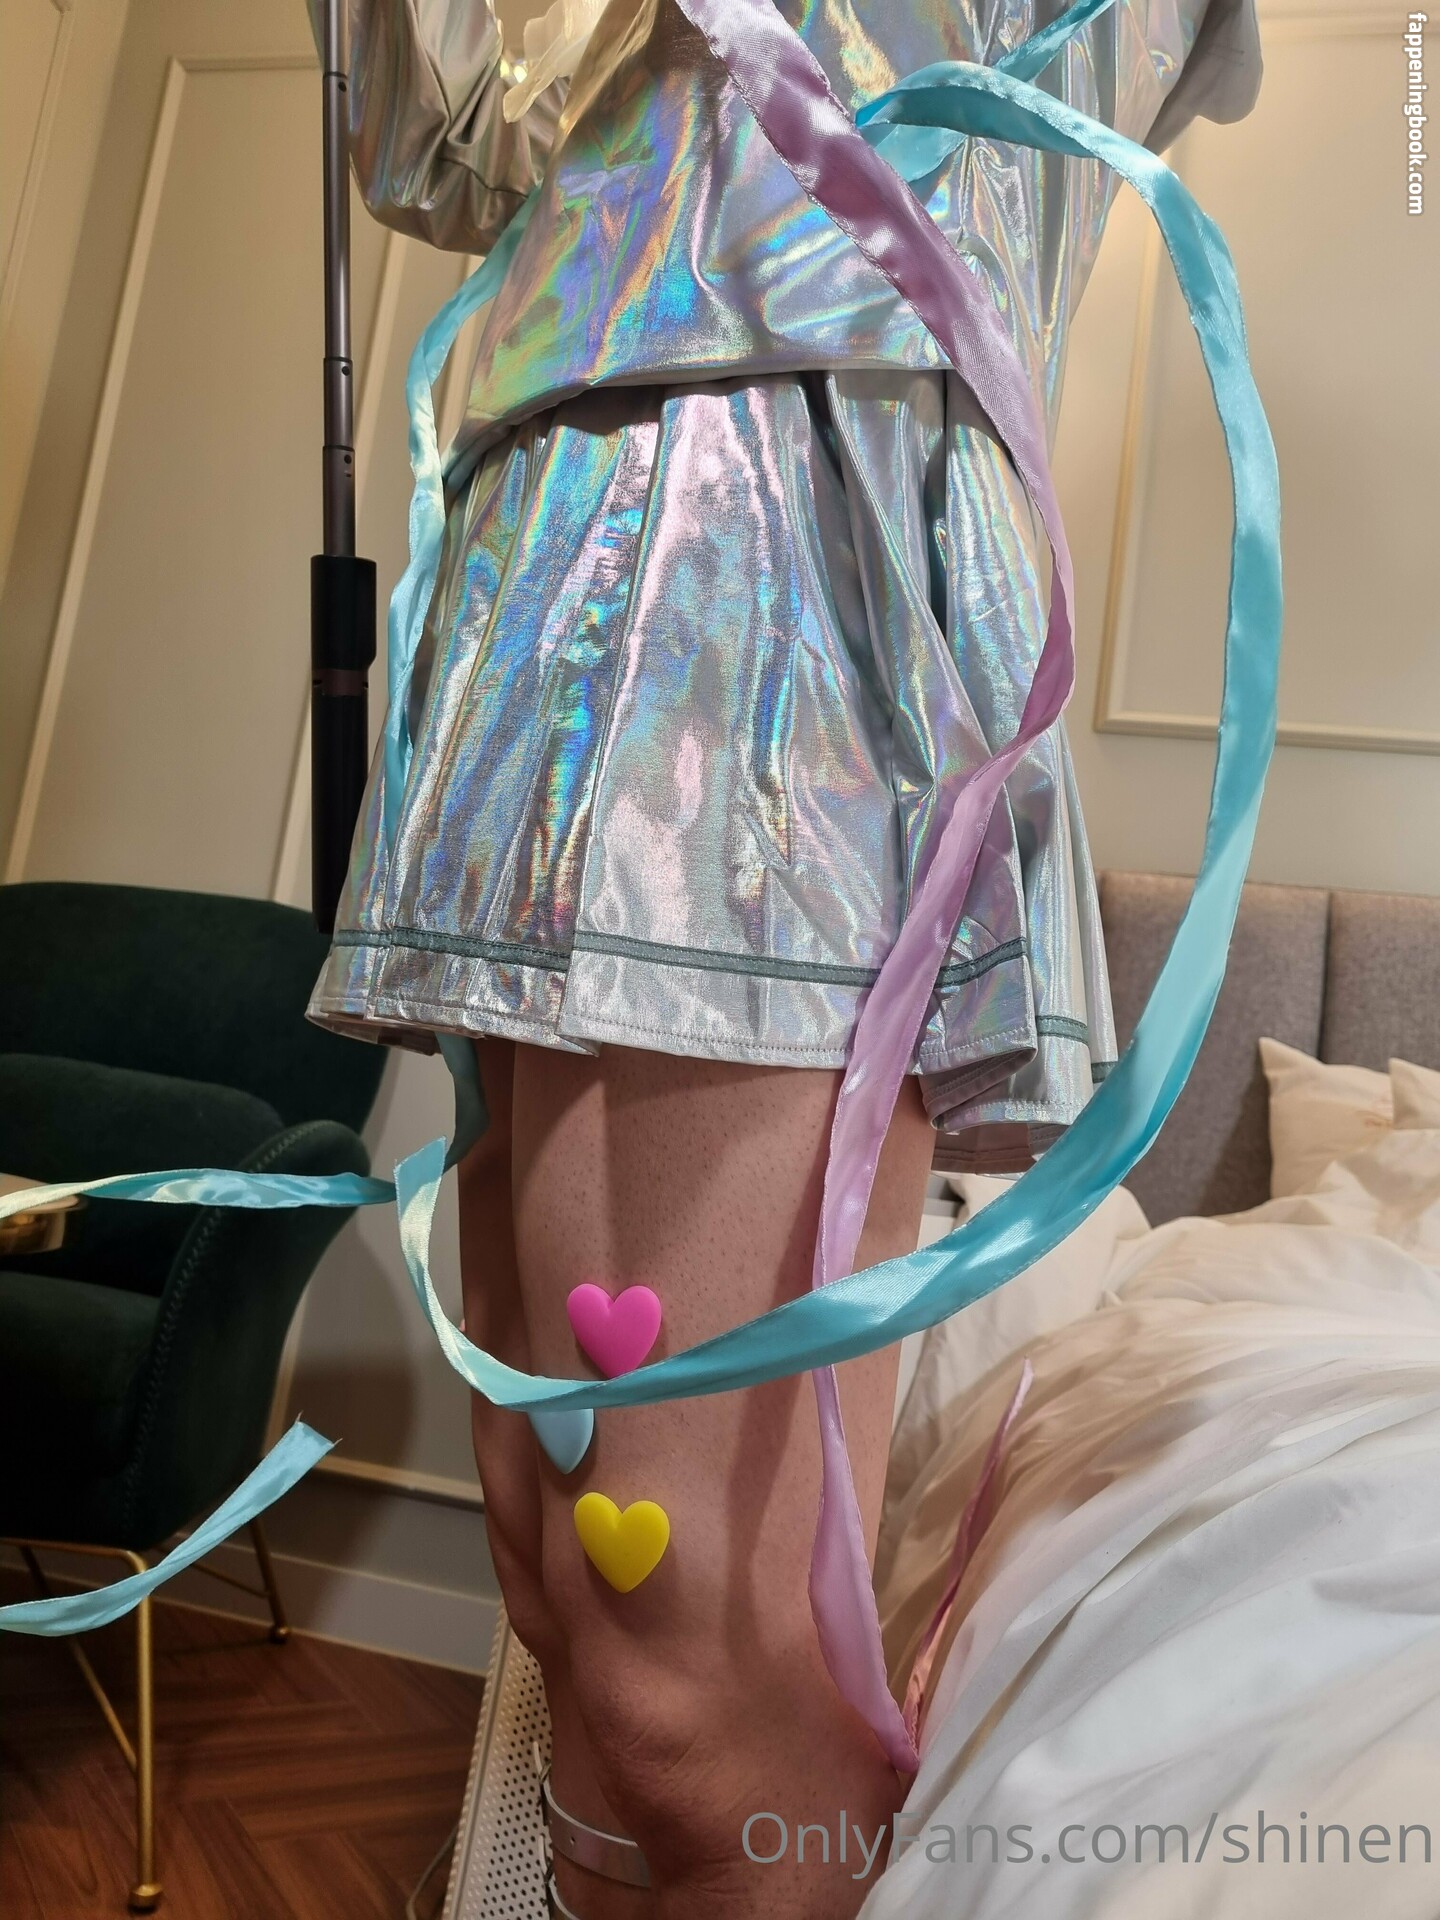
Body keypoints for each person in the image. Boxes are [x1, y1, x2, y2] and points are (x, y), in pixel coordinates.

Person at [308, 1, 1261, 1912]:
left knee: (688, 1687)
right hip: (535, 550)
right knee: (569, 1601)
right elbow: (443, 149)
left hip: (782, 560)